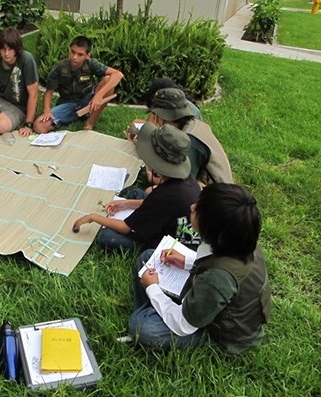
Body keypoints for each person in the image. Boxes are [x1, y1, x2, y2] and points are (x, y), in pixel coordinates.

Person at [129, 183, 271, 354]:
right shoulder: (240, 239)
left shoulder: (219, 278)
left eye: (199, 209)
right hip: (209, 305)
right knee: (149, 257)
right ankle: (156, 310)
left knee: (142, 329)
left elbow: (184, 324)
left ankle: (150, 313)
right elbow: (213, 259)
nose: (192, 207)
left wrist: (153, 288)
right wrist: (186, 261)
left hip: (217, 331)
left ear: (212, 226)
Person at [73, 122, 201, 253]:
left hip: (174, 242)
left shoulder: (164, 194)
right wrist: (126, 204)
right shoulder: (183, 179)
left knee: (107, 237)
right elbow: (160, 205)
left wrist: (93, 217)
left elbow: (125, 227)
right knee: (135, 193)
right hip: (171, 219)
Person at [138, 87, 233, 187]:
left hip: (214, 195)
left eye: (155, 114)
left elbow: (182, 185)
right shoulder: (192, 125)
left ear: (162, 116)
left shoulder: (189, 141)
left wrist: (153, 179)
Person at [34, 36, 124, 133]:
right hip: (67, 104)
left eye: (80, 54)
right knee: (38, 126)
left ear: (87, 55)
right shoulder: (59, 67)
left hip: (88, 101)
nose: (74, 57)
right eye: (73, 52)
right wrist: (47, 111)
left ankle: (89, 123)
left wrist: (99, 95)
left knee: (107, 79)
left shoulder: (91, 64)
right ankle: (64, 119)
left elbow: (118, 75)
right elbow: (48, 93)